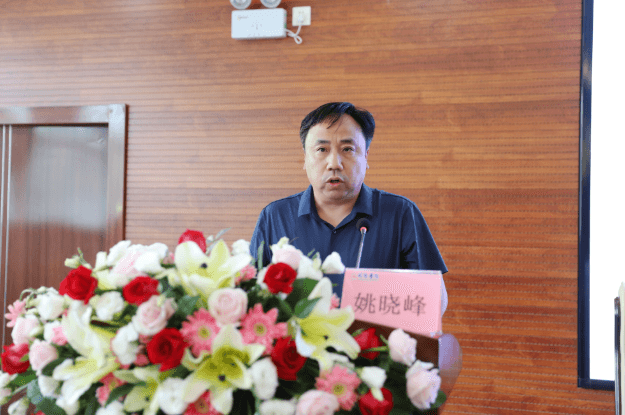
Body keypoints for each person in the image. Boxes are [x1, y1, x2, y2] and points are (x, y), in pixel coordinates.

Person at [250, 102, 448, 312]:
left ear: (366, 156)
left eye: (347, 149)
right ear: (305, 158)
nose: (334, 163)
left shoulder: (401, 214)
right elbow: (252, 297)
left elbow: (434, 302)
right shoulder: (275, 217)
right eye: (321, 149)